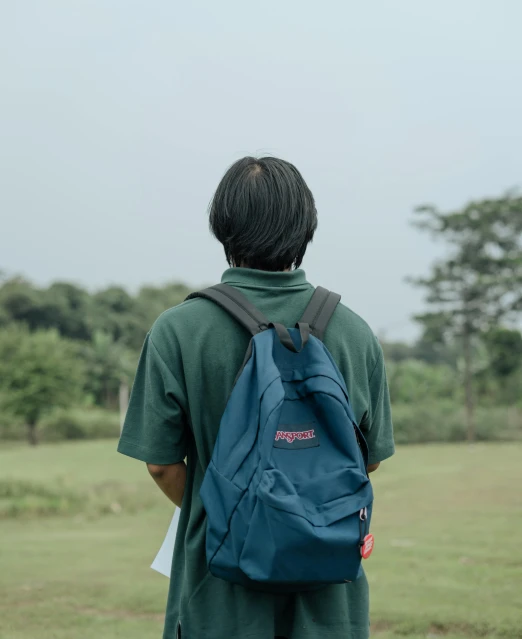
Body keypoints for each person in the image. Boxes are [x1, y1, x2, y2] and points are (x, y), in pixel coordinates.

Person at [118, 156, 395, 639]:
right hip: (329, 595)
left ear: (222, 226)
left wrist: (237, 510)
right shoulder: (354, 332)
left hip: (219, 591)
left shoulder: (178, 330)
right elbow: (365, 462)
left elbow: (162, 464)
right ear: (305, 226)